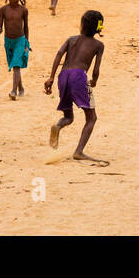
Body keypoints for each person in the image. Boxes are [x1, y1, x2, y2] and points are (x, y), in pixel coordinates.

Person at [44, 9, 106, 164]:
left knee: (68, 116)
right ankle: (79, 152)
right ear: (99, 28)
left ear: (82, 25)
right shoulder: (98, 44)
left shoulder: (71, 39)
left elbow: (59, 55)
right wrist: (94, 81)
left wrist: (51, 77)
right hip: (79, 77)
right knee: (91, 118)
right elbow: (96, 69)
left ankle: (58, 126)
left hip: (63, 75)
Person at [0, 0, 29, 100]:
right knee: (15, 65)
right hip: (8, 41)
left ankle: (14, 91)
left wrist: (26, 42)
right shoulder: (3, 10)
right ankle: (21, 87)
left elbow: (26, 27)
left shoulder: (23, 10)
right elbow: (0, 25)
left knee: (16, 65)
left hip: (20, 40)